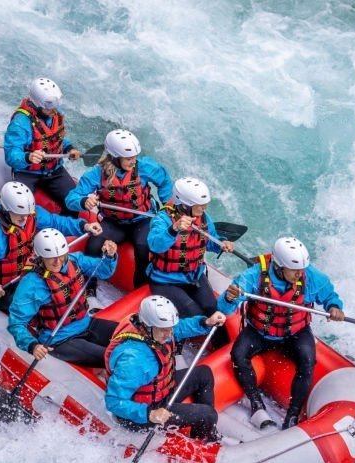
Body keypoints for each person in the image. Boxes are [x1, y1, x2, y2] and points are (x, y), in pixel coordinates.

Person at [219, 236, 346, 431]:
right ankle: (256, 405)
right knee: (238, 354)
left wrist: (335, 307)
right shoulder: (253, 276)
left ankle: (293, 414)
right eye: (294, 270)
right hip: (259, 332)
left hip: (295, 332)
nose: (299, 274)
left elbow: (329, 296)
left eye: (301, 269)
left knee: (308, 360)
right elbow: (225, 308)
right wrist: (229, 297)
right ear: (278, 266)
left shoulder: (311, 277)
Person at [0, 182, 101, 312]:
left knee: (60, 292)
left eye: (26, 214)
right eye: (19, 214)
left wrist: (83, 226)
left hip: (22, 273)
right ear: (5, 209)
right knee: (37, 308)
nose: (24, 219)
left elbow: (55, 222)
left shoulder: (29, 213)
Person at [104, 295, 226, 443]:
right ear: (147, 326)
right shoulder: (134, 362)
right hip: (141, 414)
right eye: (164, 330)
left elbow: (179, 329)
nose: (169, 335)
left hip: (160, 393)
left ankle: (202, 431)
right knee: (209, 414)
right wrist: (150, 414)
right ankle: (205, 440)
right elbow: (114, 402)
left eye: (170, 329)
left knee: (204, 373)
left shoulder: (152, 329)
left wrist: (205, 322)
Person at [65, 129, 173, 288]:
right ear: (115, 158)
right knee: (94, 245)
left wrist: (166, 205)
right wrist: (83, 202)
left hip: (142, 219)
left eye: (134, 157)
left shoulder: (145, 166)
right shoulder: (96, 174)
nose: (133, 161)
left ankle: (140, 290)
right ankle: (89, 287)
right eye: (129, 158)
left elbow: (164, 181)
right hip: (114, 223)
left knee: (144, 247)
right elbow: (71, 199)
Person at [8, 229, 119, 367]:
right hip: (59, 340)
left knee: (128, 336)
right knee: (115, 358)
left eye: (61, 255)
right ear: (40, 256)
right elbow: (16, 322)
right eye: (51, 257)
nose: (57, 261)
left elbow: (104, 271)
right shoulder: (31, 284)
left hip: (86, 323)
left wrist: (109, 256)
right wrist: (32, 345)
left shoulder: (74, 260)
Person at [146, 177, 234, 317]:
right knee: (194, 313)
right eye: (201, 205)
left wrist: (222, 244)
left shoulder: (203, 217)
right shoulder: (162, 219)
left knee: (213, 311)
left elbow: (210, 241)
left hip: (194, 276)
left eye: (205, 204)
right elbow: (154, 245)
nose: (204, 208)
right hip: (166, 281)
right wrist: (173, 229)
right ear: (185, 205)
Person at [3, 77, 81, 215]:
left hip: (54, 171)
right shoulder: (20, 123)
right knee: (22, 208)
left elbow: (56, 138)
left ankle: (65, 232)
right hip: (28, 172)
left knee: (73, 203)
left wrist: (70, 148)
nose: (54, 109)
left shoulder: (53, 114)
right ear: (37, 104)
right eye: (49, 105)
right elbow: (11, 155)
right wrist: (28, 157)